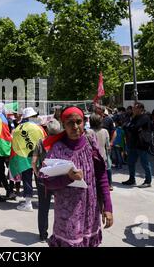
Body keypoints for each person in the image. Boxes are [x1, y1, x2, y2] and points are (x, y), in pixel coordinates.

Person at [41, 106, 113, 247]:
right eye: (70, 123)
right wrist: (68, 178)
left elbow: (102, 177)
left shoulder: (90, 143)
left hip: (90, 212)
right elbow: (46, 181)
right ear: (63, 125)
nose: (75, 127)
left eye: (78, 122)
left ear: (84, 121)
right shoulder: (57, 148)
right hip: (67, 215)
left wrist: (108, 207)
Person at [32, 119, 62, 242]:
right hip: (59, 179)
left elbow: (33, 161)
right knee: (60, 207)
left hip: (43, 179)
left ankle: (43, 235)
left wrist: (37, 173)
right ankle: (59, 233)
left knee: (43, 207)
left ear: (47, 130)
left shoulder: (40, 142)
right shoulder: (61, 143)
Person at [16, 107, 43, 212]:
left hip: (24, 157)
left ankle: (28, 203)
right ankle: (41, 201)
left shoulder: (19, 128)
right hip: (38, 157)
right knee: (39, 179)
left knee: (27, 180)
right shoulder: (38, 128)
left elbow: (15, 143)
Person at [122, 102, 153, 188]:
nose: (133, 110)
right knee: (130, 162)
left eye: (135, 108)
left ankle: (148, 181)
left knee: (145, 163)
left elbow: (135, 127)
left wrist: (130, 126)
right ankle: (132, 179)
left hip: (142, 144)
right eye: (132, 108)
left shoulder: (145, 117)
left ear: (141, 109)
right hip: (133, 143)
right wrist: (130, 125)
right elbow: (125, 125)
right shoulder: (133, 117)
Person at [90, 113, 113, 191]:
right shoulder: (105, 131)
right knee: (106, 171)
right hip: (103, 156)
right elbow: (108, 145)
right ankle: (109, 185)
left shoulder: (89, 132)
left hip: (92, 158)